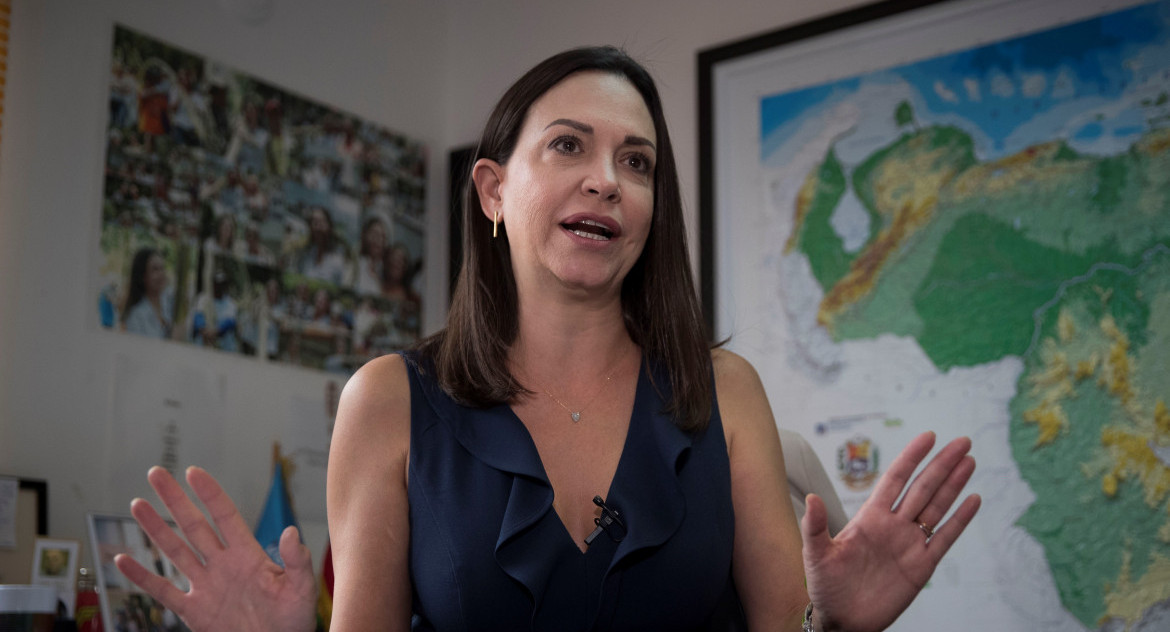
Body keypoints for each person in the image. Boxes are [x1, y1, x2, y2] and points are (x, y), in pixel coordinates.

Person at [115, 46, 980, 632]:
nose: (606, 180)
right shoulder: (386, 400)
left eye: (637, 163)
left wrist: (845, 627)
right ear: (491, 190)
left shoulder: (727, 391)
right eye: (569, 145)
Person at [121, 247, 174, 339]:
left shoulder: (170, 302)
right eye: (155, 269)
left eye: (162, 268)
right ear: (143, 276)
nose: (161, 274)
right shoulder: (135, 316)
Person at [296, 205, 350, 286]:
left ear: (329, 226)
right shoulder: (305, 256)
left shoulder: (339, 260)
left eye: (321, 222)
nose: (318, 227)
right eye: (314, 222)